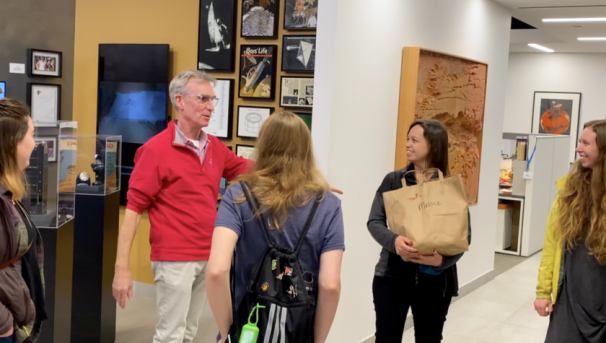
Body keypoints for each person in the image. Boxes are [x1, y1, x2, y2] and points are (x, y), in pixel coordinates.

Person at [111, 70, 252, 343]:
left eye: (213, 100)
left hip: (207, 255)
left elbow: (248, 169)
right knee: (171, 336)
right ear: (180, 101)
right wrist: (122, 268)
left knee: (189, 332)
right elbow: (133, 211)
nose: (211, 107)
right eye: (203, 98)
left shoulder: (214, 147)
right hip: (173, 259)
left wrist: (301, 178)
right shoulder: (154, 150)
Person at [206, 111, 344, 343]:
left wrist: (226, 332)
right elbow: (330, 285)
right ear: (306, 149)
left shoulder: (238, 196)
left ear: (263, 145)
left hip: (247, 329)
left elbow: (217, 271)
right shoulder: (328, 205)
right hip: (299, 332)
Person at [367, 119, 471, 343]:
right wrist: (394, 242)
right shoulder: (393, 181)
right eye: (408, 139)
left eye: (414, 140)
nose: (408, 145)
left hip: (436, 284)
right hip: (392, 278)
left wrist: (441, 261)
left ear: (433, 145)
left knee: (429, 339)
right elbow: (374, 222)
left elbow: (463, 237)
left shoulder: (450, 187)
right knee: (386, 338)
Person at [535, 120, 606, 342]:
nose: (578, 148)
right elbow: (552, 245)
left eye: (585, 143)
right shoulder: (569, 190)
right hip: (570, 297)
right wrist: (543, 291)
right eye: (579, 142)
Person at [0, 98, 47, 343]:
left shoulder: (11, 193)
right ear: (12, 142)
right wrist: (4, 325)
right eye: (31, 134)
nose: (35, 142)